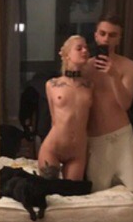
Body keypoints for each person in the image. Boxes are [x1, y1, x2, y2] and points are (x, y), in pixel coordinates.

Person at [86, 14, 133, 219]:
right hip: (96, 143)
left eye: (112, 35)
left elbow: (125, 104)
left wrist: (113, 76)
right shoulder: (85, 67)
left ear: (119, 39)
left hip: (122, 139)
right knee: (96, 201)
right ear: (96, 35)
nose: (106, 39)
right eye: (102, 33)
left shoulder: (128, 66)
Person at [37, 35, 92, 181]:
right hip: (53, 148)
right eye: (79, 48)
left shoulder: (90, 86)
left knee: (71, 193)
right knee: (49, 191)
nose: (85, 51)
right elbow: (53, 118)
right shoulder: (52, 84)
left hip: (77, 152)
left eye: (86, 48)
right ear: (67, 55)